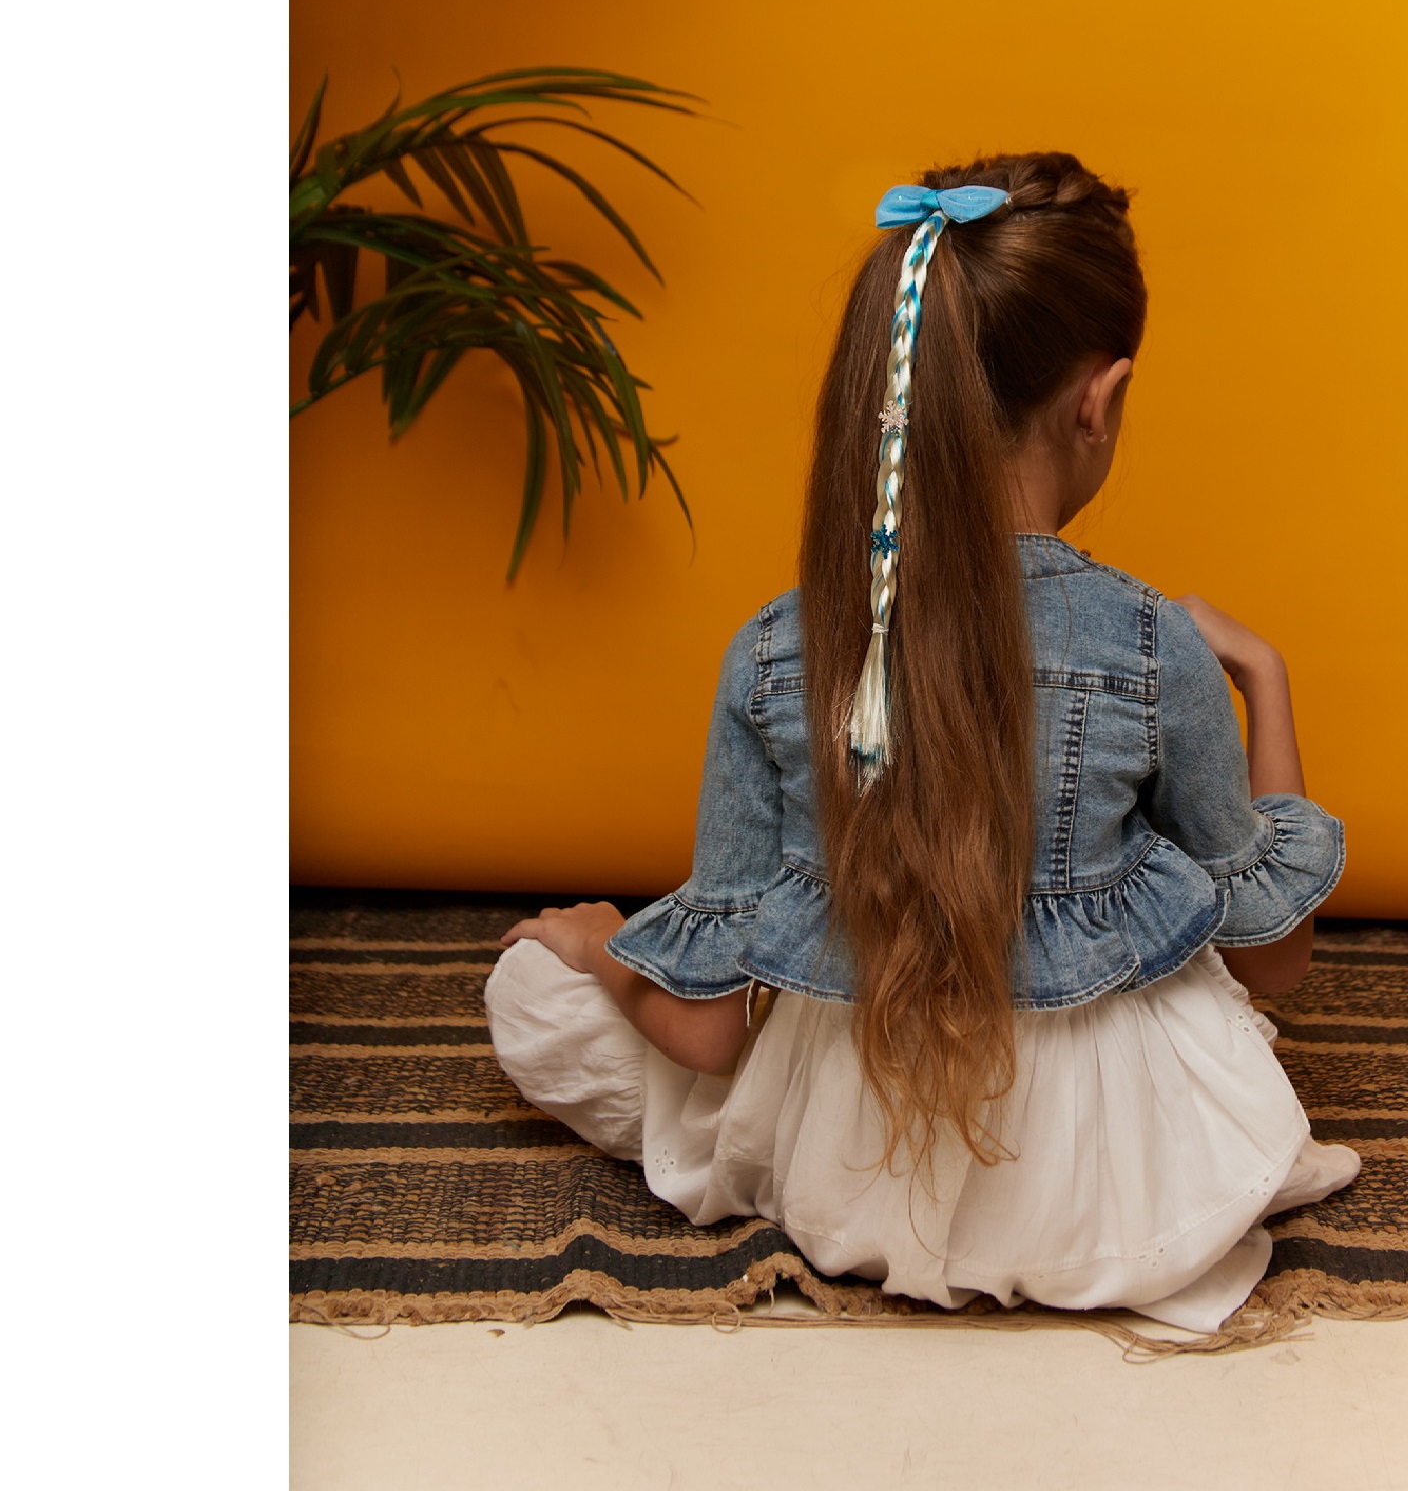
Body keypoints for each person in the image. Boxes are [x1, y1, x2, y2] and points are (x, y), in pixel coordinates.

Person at [486, 153, 1358, 1332]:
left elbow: (703, 1024)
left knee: (534, 989)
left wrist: (603, 947)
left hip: (849, 1178)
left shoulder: (775, 647)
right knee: (1189, 967)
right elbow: (1275, 955)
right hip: (1107, 1196)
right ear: (1099, 399)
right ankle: (1085, 1204)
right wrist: (1266, 678)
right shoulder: (1157, 644)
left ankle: (872, 1189)